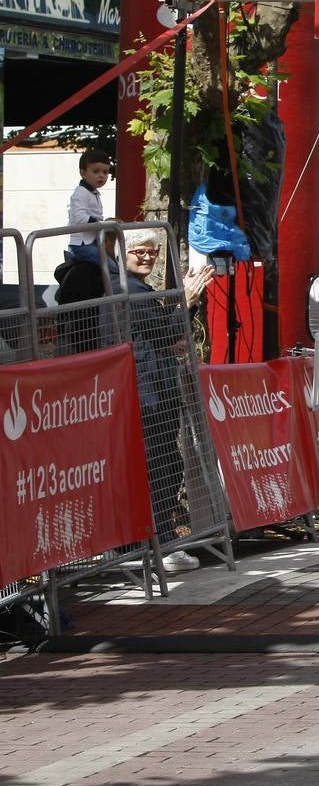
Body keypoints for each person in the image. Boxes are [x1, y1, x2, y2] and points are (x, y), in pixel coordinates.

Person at [116, 230, 212, 572]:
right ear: (123, 254)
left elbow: (160, 335)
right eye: (139, 251)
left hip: (154, 388)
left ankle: (160, 540)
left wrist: (187, 304)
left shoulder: (135, 289)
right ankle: (158, 543)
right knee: (161, 466)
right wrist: (186, 300)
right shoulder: (128, 291)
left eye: (152, 252)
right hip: (148, 393)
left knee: (165, 464)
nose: (147, 257)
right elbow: (165, 332)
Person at [67, 149, 111, 265]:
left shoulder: (93, 193)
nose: (101, 176)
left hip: (92, 241)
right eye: (96, 171)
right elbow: (79, 217)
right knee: (110, 266)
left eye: (105, 172)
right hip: (81, 244)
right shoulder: (81, 193)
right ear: (83, 173)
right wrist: (101, 224)